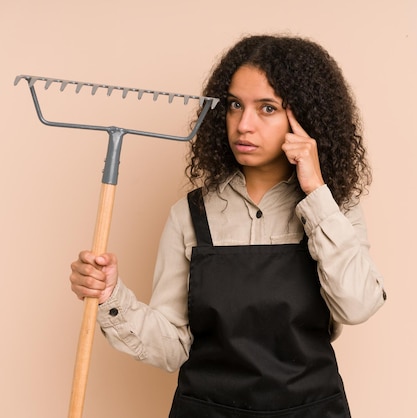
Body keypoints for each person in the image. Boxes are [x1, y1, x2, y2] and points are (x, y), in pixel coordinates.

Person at [70, 34, 387, 417]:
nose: (243, 125)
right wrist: (109, 297)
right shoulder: (190, 215)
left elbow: (356, 306)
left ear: (306, 117)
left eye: (267, 108)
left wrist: (316, 192)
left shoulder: (334, 210)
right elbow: (171, 347)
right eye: (235, 105)